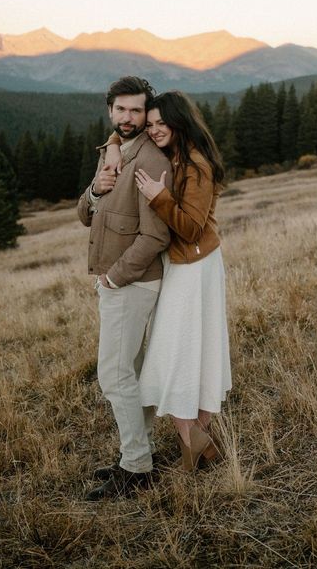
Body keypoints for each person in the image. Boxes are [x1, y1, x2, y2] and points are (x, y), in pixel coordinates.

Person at [105, 89, 232, 471]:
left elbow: (191, 229)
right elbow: (123, 131)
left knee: (174, 352)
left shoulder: (196, 165)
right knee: (192, 349)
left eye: (163, 123)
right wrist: (112, 143)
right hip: (184, 266)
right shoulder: (175, 153)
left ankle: (195, 441)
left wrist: (159, 197)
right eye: (152, 122)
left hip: (194, 267)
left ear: (180, 123)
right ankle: (196, 444)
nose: (155, 129)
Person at [77, 76, 173, 500]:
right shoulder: (114, 152)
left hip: (131, 284)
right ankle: (138, 453)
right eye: (121, 110)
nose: (129, 117)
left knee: (114, 376)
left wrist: (115, 277)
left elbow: (156, 237)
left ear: (145, 112)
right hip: (119, 282)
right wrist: (95, 191)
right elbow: (85, 214)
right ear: (110, 111)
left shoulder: (150, 160)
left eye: (137, 110)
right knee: (130, 373)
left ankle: (136, 467)